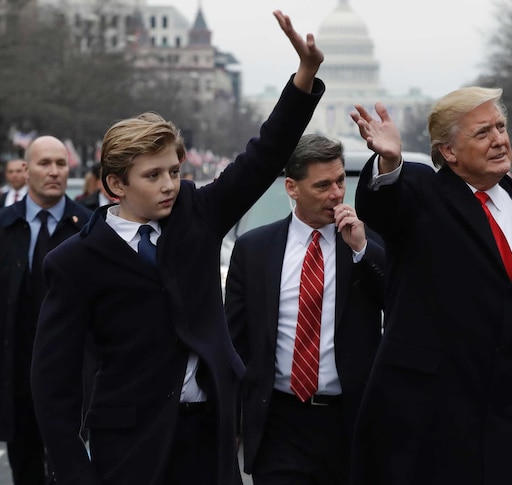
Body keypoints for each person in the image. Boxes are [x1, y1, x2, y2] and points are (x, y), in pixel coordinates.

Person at [29, 11, 324, 485]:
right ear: (114, 185)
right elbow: (52, 386)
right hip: (129, 448)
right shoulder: (73, 263)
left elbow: (264, 155)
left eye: (173, 170)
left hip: (210, 441)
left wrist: (304, 77)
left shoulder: (198, 215)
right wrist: (74, 474)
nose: (170, 185)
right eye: (153, 176)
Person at [348, 88, 512, 484]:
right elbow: (382, 205)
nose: (500, 139)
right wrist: (391, 162)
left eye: (501, 127)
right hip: (423, 421)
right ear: (448, 152)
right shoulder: (420, 194)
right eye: (482, 133)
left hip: (508, 422)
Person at [225, 134, 385, 484]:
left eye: (341, 181)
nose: (336, 194)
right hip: (279, 423)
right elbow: (235, 343)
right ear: (292, 188)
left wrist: (361, 249)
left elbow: (397, 300)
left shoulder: (366, 242)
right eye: (323, 185)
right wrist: (231, 423)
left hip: (347, 422)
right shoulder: (254, 249)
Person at [0, 136, 91, 485]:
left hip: (73, 383)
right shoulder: (5, 226)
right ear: (25, 170)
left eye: (61, 163)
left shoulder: (89, 229)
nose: (54, 171)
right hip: (15, 378)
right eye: (44, 163)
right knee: (24, 469)